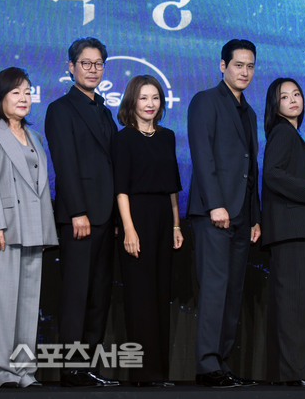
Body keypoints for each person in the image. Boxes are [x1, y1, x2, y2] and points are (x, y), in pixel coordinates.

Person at [0, 67, 58, 388]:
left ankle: (24, 372)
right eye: (16, 92)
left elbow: (40, 188)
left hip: (33, 230)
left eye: (27, 92)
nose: (24, 98)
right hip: (3, 231)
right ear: (0, 97)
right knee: (2, 305)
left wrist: (45, 229)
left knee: (27, 306)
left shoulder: (35, 137)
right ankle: (1, 373)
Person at [44, 37, 119, 387]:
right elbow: (65, 164)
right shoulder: (60, 109)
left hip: (105, 216)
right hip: (80, 216)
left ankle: (89, 365)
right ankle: (71, 368)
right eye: (86, 63)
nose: (93, 69)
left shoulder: (105, 110)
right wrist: (77, 211)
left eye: (98, 63)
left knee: (99, 294)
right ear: (71, 67)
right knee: (76, 294)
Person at [186, 39, 261, 388]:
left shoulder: (250, 112)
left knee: (232, 291)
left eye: (250, 66)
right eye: (238, 65)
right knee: (215, 289)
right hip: (214, 212)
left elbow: (251, 168)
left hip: (242, 215)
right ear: (222, 66)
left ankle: (222, 363)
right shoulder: (205, 101)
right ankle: (207, 365)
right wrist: (216, 203)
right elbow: (202, 154)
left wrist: (255, 215)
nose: (244, 72)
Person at [113, 75, 183, 387]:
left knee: (160, 294)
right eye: (143, 98)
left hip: (164, 217)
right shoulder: (123, 138)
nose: (150, 104)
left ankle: (160, 372)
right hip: (136, 216)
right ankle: (142, 373)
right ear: (132, 101)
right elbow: (121, 189)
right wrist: (128, 229)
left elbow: (172, 187)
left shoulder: (168, 136)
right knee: (139, 298)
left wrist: (176, 224)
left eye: (155, 98)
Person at [261, 78, 305, 387]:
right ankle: (295, 374)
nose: (293, 100)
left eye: (297, 94)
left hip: (298, 230)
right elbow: (272, 174)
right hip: (292, 232)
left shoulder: (291, 134)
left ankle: (290, 374)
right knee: (295, 306)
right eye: (284, 96)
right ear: (275, 105)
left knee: (295, 305)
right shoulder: (282, 133)